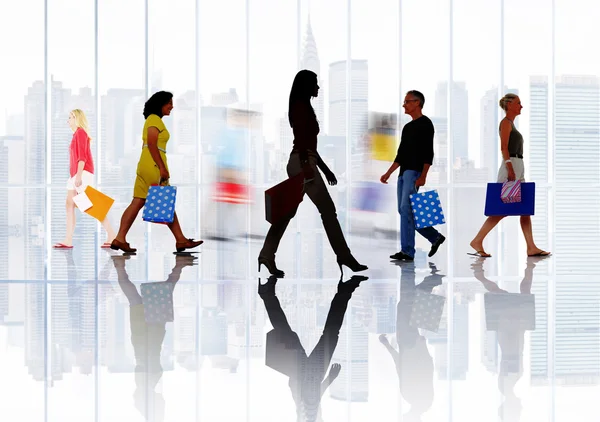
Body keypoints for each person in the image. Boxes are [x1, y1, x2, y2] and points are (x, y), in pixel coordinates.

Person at [258, 70, 367, 276]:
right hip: (303, 162)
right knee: (328, 211)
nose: (318, 87)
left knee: (286, 214)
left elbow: (310, 145)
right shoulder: (301, 107)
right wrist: (309, 168)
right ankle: (344, 256)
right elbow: (301, 141)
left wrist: (325, 170)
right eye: (315, 84)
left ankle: (266, 255)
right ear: (306, 85)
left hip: (304, 161)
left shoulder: (303, 106)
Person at [110, 91, 203, 253]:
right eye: (169, 103)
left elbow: (147, 145)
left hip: (145, 164)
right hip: (153, 165)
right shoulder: (154, 120)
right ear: (160, 104)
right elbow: (152, 144)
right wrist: (161, 167)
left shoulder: (151, 120)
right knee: (165, 201)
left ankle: (120, 238)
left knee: (137, 202)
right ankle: (180, 240)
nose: (172, 106)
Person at [469, 93, 550, 258]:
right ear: (510, 105)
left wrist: (516, 168)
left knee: (525, 208)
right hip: (510, 165)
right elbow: (504, 147)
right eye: (519, 103)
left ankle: (531, 247)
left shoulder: (512, 124)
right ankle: (477, 240)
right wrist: (510, 168)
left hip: (518, 164)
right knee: (500, 209)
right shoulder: (505, 123)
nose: (521, 106)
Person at [380, 91, 446, 262]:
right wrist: (389, 172)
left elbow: (428, 152)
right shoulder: (408, 127)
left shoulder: (426, 124)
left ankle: (408, 251)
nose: (404, 105)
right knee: (403, 210)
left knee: (405, 209)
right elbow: (401, 154)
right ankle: (434, 237)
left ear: (417, 103)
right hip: (403, 173)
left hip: (413, 172)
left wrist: (423, 175)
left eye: (407, 102)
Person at [53, 109, 116, 249]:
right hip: (75, 174)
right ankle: (68, 240)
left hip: (82, 173)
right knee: (69, 204)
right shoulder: (76, 135)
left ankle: (112, 235)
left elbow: (82, 157)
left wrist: (79, 176)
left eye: (70, 117)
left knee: (89, 205)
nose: (68, 120)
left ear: (77, 119)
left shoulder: (81, 133)